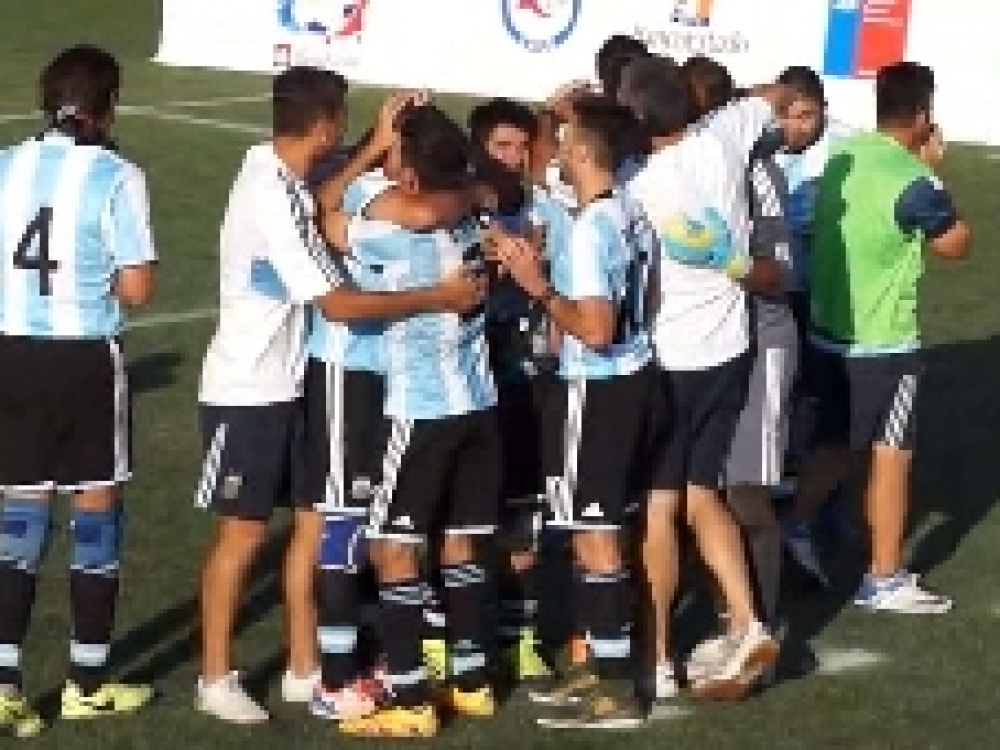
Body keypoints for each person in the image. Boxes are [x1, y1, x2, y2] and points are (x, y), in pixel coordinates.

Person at [194, 71, 483, 725]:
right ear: (325, 124)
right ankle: (214, 676)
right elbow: (340, 304)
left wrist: (374, 144)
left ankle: (305, 668)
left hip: (294, 379)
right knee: (242, 534)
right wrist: (438, 297)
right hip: (248, 388)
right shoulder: (269, 192)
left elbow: (328, 196)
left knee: (316, 522)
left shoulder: (284, 172)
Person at [0, 45, 157, 737]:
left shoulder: (6, 163)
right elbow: (137, 287)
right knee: (96, 515)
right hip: (84, 360)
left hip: (11, 356)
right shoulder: (118, 175)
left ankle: (3, 684)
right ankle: (85, 684)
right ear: (108, 103)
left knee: (18, 521)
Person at [332, 105, 500, 739]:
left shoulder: (390, 235)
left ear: (407, 177)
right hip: (478, 405)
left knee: (394, 549)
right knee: (460, 543)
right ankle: (473, 683)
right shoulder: (475, 221)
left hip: (420, 409)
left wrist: (366, 154)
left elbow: (326, 217)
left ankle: (408, 695)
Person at [619, 55, 779, 701]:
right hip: (730, 346)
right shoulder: (725, 134)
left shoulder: (639, 182)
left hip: (670, 357)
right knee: (702, 494)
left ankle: (658, 657)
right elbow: (773, 94)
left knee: (659, 507)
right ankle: (746, 620)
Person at [496, 94, 656, 730]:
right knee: (599, 530)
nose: (555, 151)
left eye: (563, 142)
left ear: (586, 152)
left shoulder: (593, 229)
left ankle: (615, 687)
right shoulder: (628, 211)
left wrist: (538, 288)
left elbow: (594, 328)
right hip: (631, 381)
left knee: (595, 536)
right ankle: (603, 668)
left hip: (596, 388)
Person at [787, 61, 970, 614]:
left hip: (829, 331)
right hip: (883, 342)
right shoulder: (913, 180)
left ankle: (792, 525)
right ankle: (884, 576)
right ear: (923, 116)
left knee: (833, 446)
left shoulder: (845, 156)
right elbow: (955, 244)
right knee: (892, 455)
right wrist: (932, 172)